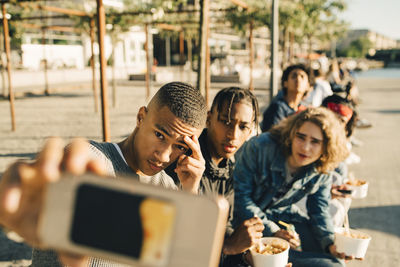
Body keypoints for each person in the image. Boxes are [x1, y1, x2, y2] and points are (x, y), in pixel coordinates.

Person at [0, 82, 208, 267]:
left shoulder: (167, 188)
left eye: (180, 146)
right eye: (159, 135)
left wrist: (190, 190)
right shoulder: (91, 161)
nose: (163, 155)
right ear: (141, 117)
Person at [233, 107, 359, 267]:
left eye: (315, 142)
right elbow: (239, 197)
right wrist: (273, 231)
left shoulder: (322, 167)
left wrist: (329, 244)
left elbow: (318, 210)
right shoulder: (261, 147)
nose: (305, 147)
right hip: (242, 221)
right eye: (301, 137)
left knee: (336, 259)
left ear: (326, 146)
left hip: (280, 217)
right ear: (291, 134)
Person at [166, 87, 264, 267]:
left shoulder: (228, 167)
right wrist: (228, 247)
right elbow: (172, 246)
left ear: (250, 131)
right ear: (209, 119)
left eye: (243, 127)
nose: (233, 135)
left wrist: (247, 252)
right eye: (226, 122)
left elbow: (222, 227)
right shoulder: (184, 163)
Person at [261, 64, 311, 132]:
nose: (298, 79)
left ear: (308, 85)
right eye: (294, 76)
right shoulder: (277, 108)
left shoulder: (305, 109)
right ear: (285, 83)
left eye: (302, 77)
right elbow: (271, 136)